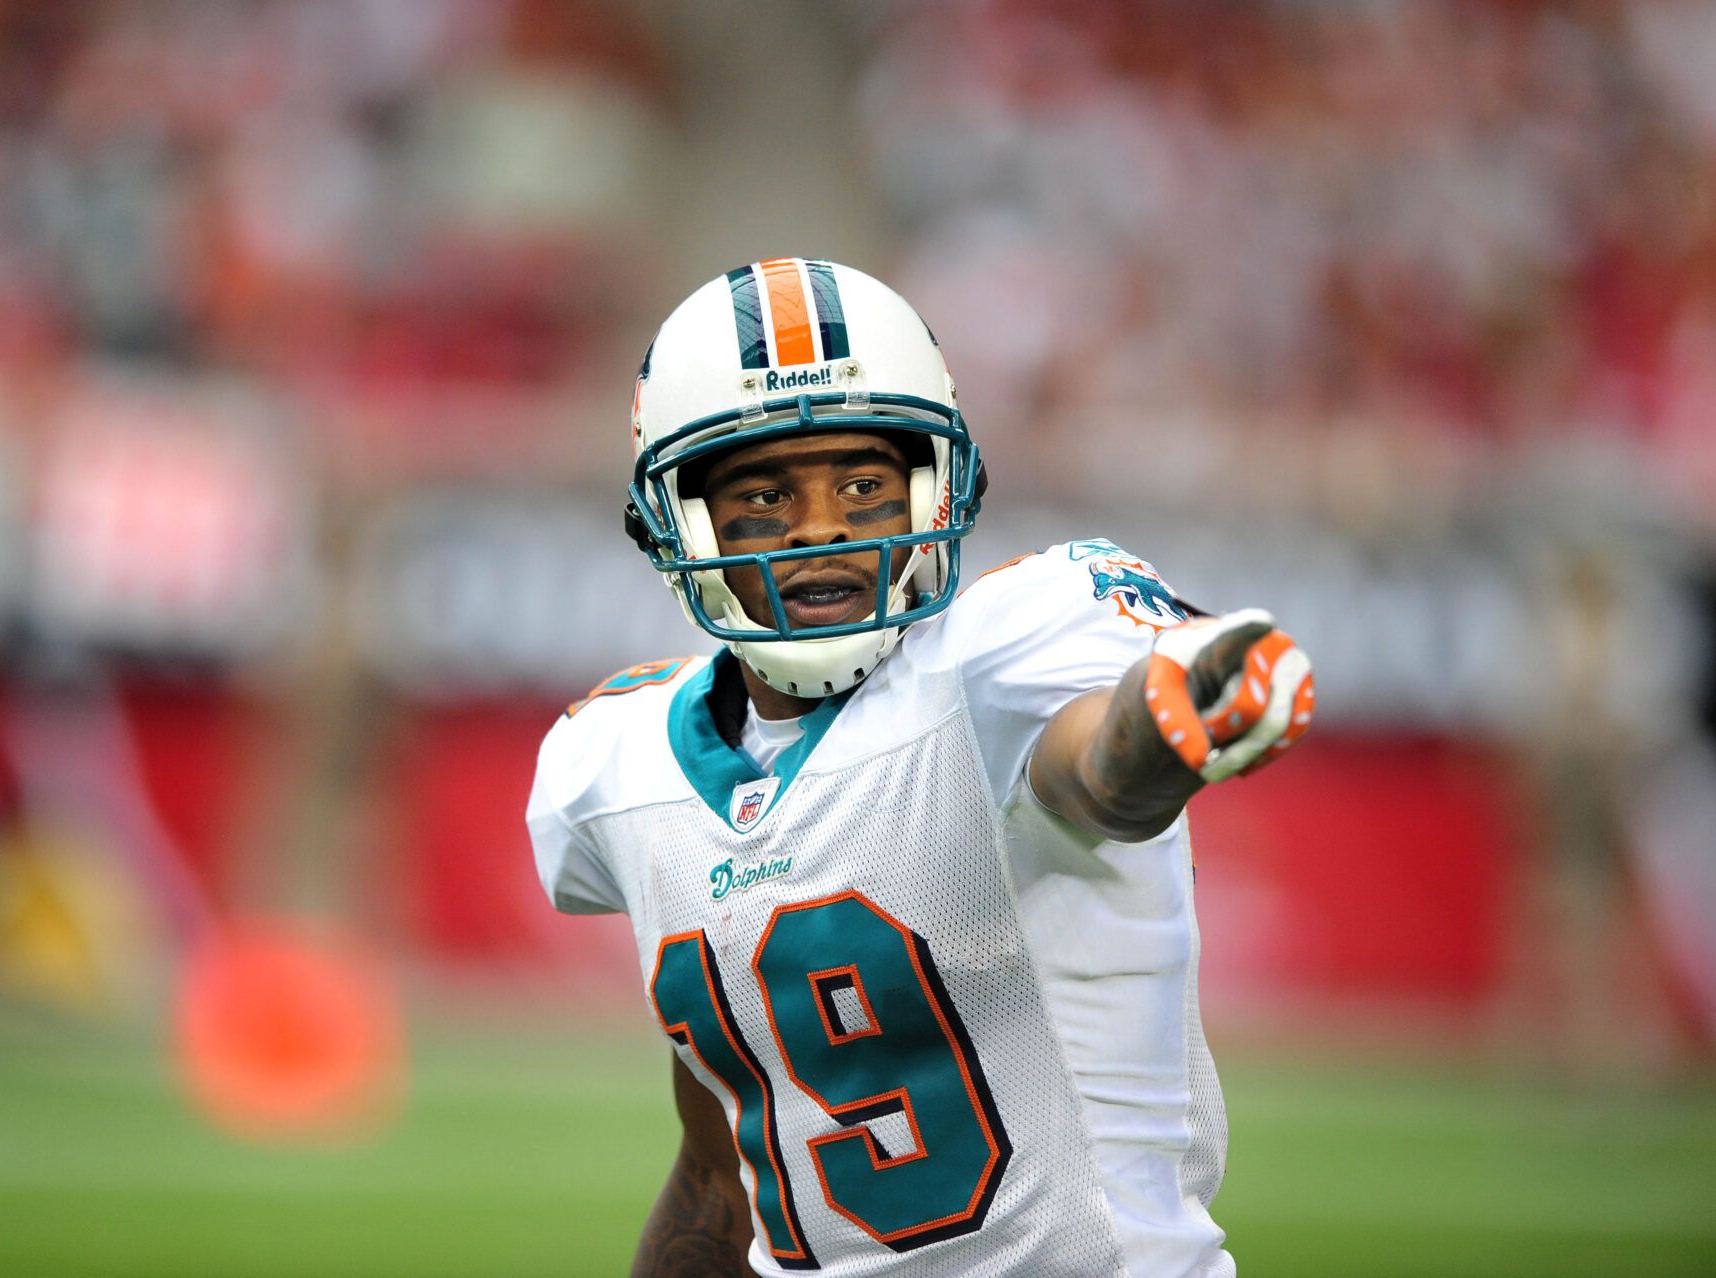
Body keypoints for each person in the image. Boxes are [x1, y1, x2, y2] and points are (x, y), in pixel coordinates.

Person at [528, 259, 1315, 1277]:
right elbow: (724, 1161)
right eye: (763, 493)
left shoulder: (996, 662)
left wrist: (1168, 727)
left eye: (862, 483)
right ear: (679, 520)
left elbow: (1098, 773)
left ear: (935, 488)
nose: (820, 527)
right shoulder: (620, 765)